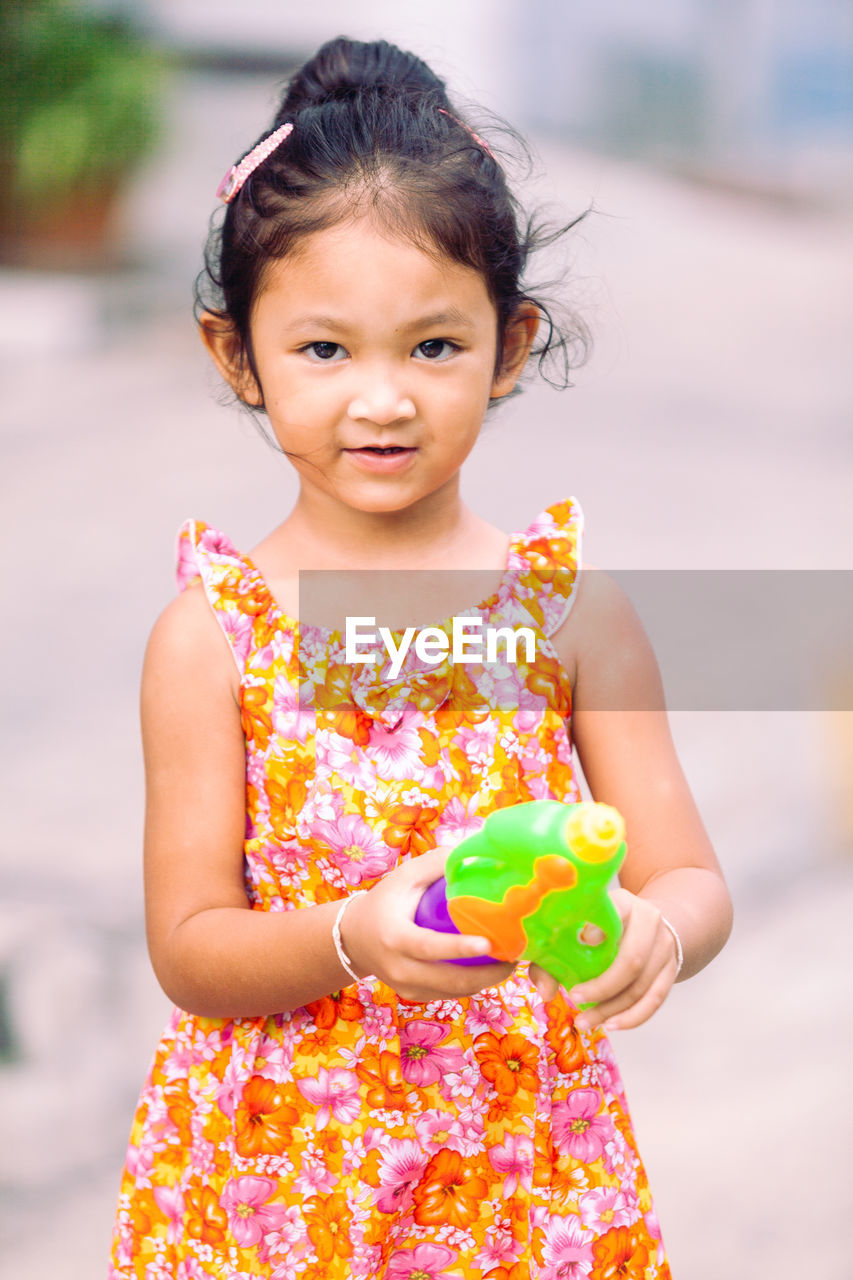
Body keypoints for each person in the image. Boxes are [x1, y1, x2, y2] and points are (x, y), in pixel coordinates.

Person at [109, 36, 732, 1280]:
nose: (381, 400)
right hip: (284, 1184)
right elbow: (189, 942)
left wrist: (659, 931)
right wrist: (349, 934)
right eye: (324, 350)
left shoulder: (570, 614)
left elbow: (686, 872)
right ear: (237, 355)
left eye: (433, 347)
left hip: (524, 1168)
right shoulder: (211, 638)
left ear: (510, 345)